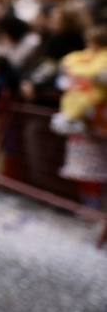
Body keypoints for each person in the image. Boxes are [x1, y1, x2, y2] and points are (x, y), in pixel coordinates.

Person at [57, 26, 107, 209]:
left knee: (97, 170)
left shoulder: (98, 63)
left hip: (98, 122)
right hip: (84, 121)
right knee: (88, 171)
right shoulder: (80, 60)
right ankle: (91, 207)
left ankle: (96, 210)